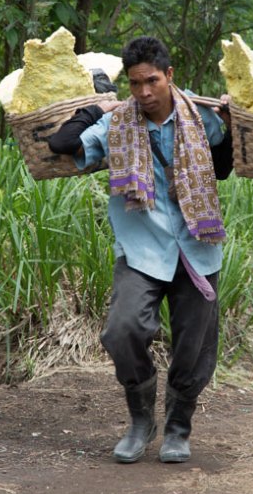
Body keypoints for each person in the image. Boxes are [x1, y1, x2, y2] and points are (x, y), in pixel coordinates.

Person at [48, 36, 231, 464]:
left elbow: (223, 168)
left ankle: (178, 428)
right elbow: (61, 144)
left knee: (195, 345)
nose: (144, 93)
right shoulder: (118, 123)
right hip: (142, 248)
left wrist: (232, 119)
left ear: (169, 75)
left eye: (151, 81)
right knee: (122, 330)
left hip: (196, 247)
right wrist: (98, 108)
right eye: (134, 84)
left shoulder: (201, 118)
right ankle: (140, 417)